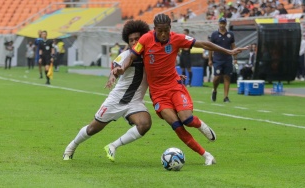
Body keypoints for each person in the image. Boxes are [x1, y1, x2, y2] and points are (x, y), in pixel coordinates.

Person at [111, 14, 248, 165]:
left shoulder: (176, 38)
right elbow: (131, 56)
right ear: (154, 29)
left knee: (187, 119)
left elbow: (204, 44)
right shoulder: (145, 40)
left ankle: (201, 125)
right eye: (160, 31)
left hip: (174, 87)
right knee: (176, 125)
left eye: (166, 31)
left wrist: (228, 52)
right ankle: (206, 155)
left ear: (170, 28)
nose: (163, 34)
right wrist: (122, 68)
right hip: (158, 94)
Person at [63, 20, 151, 162]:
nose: (134, 42)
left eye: (137, 39)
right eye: (131, 40)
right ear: (127, 42)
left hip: (135, 102)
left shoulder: (150, 55)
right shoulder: (126, 55)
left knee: (145, 124)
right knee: (93, 129)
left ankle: (113, 145)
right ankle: (71, 147)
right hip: (116, 100)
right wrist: (113, 74)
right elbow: (117, 68)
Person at [209, 17, 238, 103]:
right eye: (220, 23)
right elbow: (210, 47)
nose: (222, 25)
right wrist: (210, 59)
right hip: (217, 59)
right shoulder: (214, 34)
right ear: (218, 23)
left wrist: (235, 58)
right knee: (217, 77)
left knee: (227, 77)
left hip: (228, 59)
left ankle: (226, 97)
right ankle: (214, 90)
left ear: (226, 24)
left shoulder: (230, 34)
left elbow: (233, 46)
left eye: (223, 23)